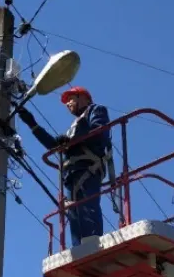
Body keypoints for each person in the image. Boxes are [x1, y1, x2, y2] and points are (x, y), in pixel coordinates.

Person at [17, 86, 110, 247]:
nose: (67, 104)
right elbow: (54, 145)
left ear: (84, 98)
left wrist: (71, 141)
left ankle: (93, 242)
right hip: (71, 174)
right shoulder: (75, 126)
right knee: (74, 211)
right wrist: (32, 123)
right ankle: (79, 247)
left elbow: (99, 131)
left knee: (87, 206)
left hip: (88, 167)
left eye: (70, 99)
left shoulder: (95, 110)